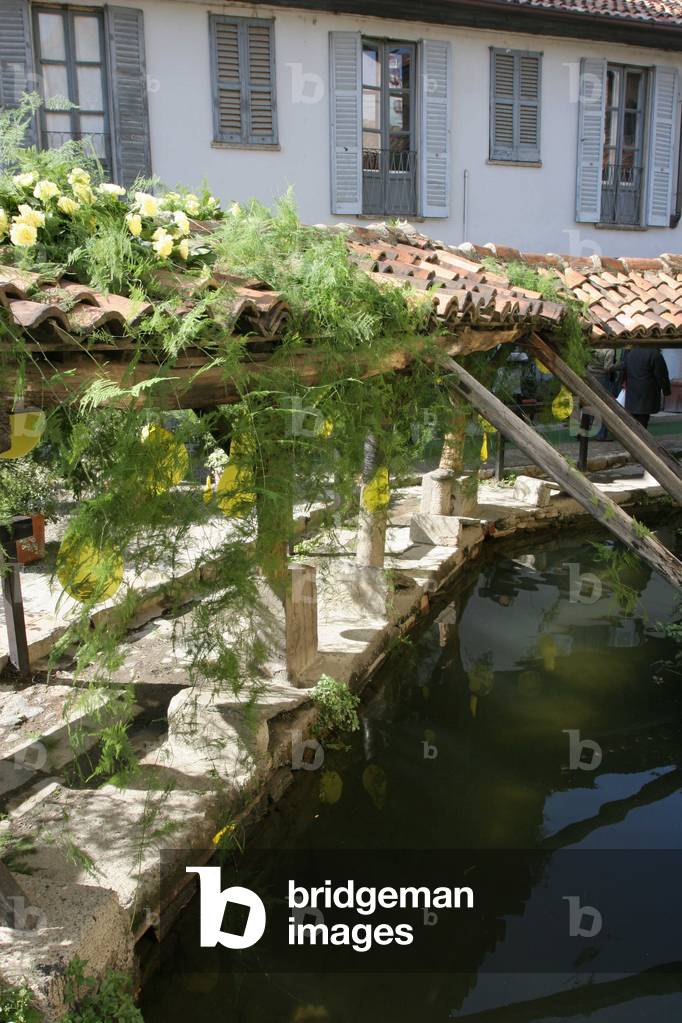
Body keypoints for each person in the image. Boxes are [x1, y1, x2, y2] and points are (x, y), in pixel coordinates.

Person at [623, 346, 671, 429]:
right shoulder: (654, 354)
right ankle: (639, 440)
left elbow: (624, 370)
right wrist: (666, 390)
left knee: (634, 420)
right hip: (647, 393)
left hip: (632, 392)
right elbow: (662, 375)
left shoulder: (631, 353)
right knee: (643, 421)